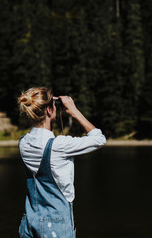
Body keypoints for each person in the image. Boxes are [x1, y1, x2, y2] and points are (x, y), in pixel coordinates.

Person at [17, 87, 106, 238]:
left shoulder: (23, 142)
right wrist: (74, 111)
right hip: (55, 224)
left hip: (29, 221)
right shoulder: (58, 145)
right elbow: (99, 139)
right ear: (49, 111)